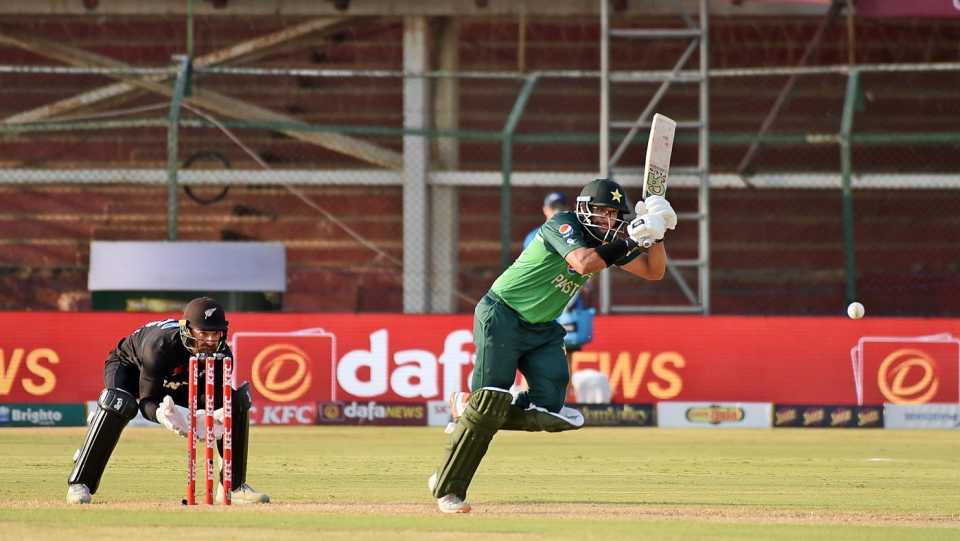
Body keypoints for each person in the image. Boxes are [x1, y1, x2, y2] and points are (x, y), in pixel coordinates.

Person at [427, 177, 676, 513]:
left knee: (554, 414)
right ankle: (449, 489)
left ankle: (469, 407)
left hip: (543, 328)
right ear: (585, 209)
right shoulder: (562, 224)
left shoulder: (608, 240)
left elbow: (653, 272)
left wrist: (657, 236)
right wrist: (632, 236)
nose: (610, 221)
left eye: (615, 215)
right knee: (491, 403)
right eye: (603, 212)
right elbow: (583, 263)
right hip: (502, 314)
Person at [66, 297, 270, 505]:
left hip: (179, 377)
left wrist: (211, 416)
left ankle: (232, 487)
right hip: (131, 367)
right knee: (119, 402)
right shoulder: (160, 345)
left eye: (215, 334)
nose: (210, 342)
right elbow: (147, 401)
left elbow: (212, 399)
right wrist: (162, 415)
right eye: (203, 334)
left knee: (234, 402)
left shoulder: (222, 354)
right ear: (188, 330)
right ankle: (80, 482)